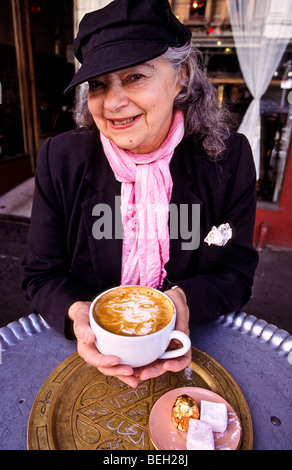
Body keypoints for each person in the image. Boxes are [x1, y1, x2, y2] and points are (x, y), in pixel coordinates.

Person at [21, 0, 258, 388]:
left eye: (134, 77)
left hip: (193, 349)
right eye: (97, 84)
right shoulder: (61, 158)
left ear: (181, 75)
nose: (113, 103)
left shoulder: (227, 160)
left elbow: (236, 272)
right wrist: (76, 314)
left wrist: (185, 300)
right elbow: (40, 274)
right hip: (88, 355)